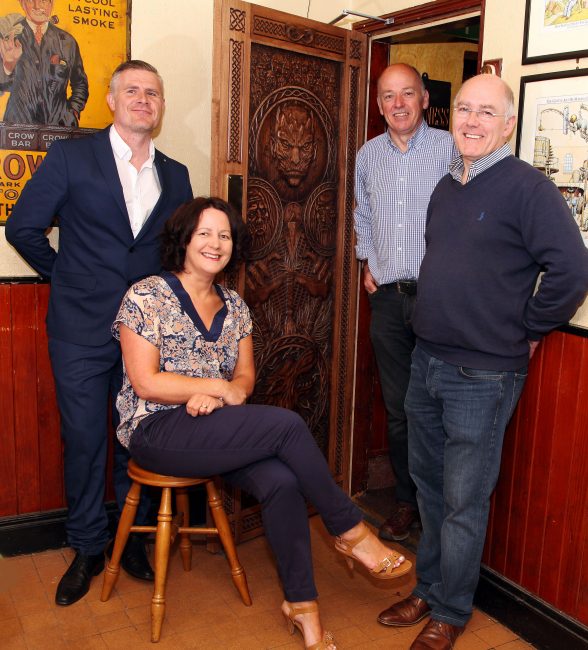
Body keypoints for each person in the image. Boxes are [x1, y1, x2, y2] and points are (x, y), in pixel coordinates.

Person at [114, 196, 412, 650]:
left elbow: (246, 378)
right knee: (287, 426)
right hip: (156, 429)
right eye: (205, 233)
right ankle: (351, 532)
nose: (216, 243)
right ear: (184, 240)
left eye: (226, 235)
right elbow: (146, 381)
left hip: (215, 429)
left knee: (281, 482)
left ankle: (303, 609)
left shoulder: (234, 305)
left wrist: (222, 394)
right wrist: (216, 388)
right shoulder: (146, 295)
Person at [377, 74, 588, 649]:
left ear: (510, 124)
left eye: (486, 113)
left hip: (484, 374)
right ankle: (428, 587)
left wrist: (529, 325)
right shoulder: (448, 185)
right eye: (463, 110)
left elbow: (572, 268)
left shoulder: (528, 188)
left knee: (464, 502)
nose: (470, 121)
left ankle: (449, 609)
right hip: (428, 362)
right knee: (428, 489)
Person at [5, 60, 192, 606]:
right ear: (109, 100)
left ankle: (127, 541)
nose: (142, 99)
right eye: (132, 90)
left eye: (152, 92)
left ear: (160, 107)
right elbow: (23, 227)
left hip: (145, 336)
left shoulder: (176, 174)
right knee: (86, 440)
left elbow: (176, 253)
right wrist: (64, 274)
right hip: (80, 329)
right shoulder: (70, 156)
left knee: (135, 437)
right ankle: (87, 545)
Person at [353, 63, 456, 542]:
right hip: (389, 303)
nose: (398, 103)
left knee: (437, 406)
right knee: (399, 410)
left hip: (440, 299)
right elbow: (364, 214)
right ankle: (406, 502)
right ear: (379, 105)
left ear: (424, 100)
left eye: (407, 94)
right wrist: (366, 263)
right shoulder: (368, 155)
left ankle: (442, 510)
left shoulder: (452, 148)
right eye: (389, 96)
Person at [0, 0, 88, 126]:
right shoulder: (7, 37)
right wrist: (8, 65)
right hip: (17, 125)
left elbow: (80, 83)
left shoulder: (67, 41)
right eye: (31, 0)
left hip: (59, 125)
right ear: (22, 3)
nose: (37, 6)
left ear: (51, 4)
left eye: (43, 0)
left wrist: (73, 110)